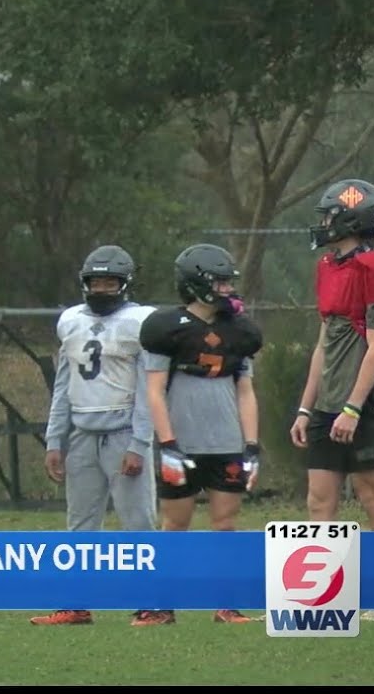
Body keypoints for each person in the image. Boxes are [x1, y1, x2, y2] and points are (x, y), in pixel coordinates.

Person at [288, 179, 374, 622]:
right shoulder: (328, 266)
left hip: (363, 399)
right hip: (329, 399)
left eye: (329, 216)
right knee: (319, 500)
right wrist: (308, 406)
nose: (322, 224)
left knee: (370, 492)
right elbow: (324, 344)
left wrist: (353, 407)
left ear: (350, 220)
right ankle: (320, 597)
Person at [31, 245, 162, 627]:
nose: (102, 289)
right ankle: (76, 603)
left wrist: (140, 443)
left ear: (124, 284)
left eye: (110, 282)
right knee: (80, 524)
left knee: (137, 521)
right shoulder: (70, 320)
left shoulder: (140, 321)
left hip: (123, 431)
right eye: (96, 282)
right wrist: (55, 439)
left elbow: (147, 389)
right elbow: (63, 384)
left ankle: (152, 605)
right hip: (83, 434)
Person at [138, 243, 263, 626]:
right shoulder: (165, 329)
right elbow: (155, 391)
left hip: (226, 442)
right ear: (197, 283)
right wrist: (168, 442)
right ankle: (161, 605)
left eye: (228, 282)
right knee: (175, 525)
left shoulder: (240, 332)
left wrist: (252, 445)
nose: (227, 289)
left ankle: (227, 604)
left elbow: (245, 391)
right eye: (220, 282)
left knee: (225, 524)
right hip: (182, 443)